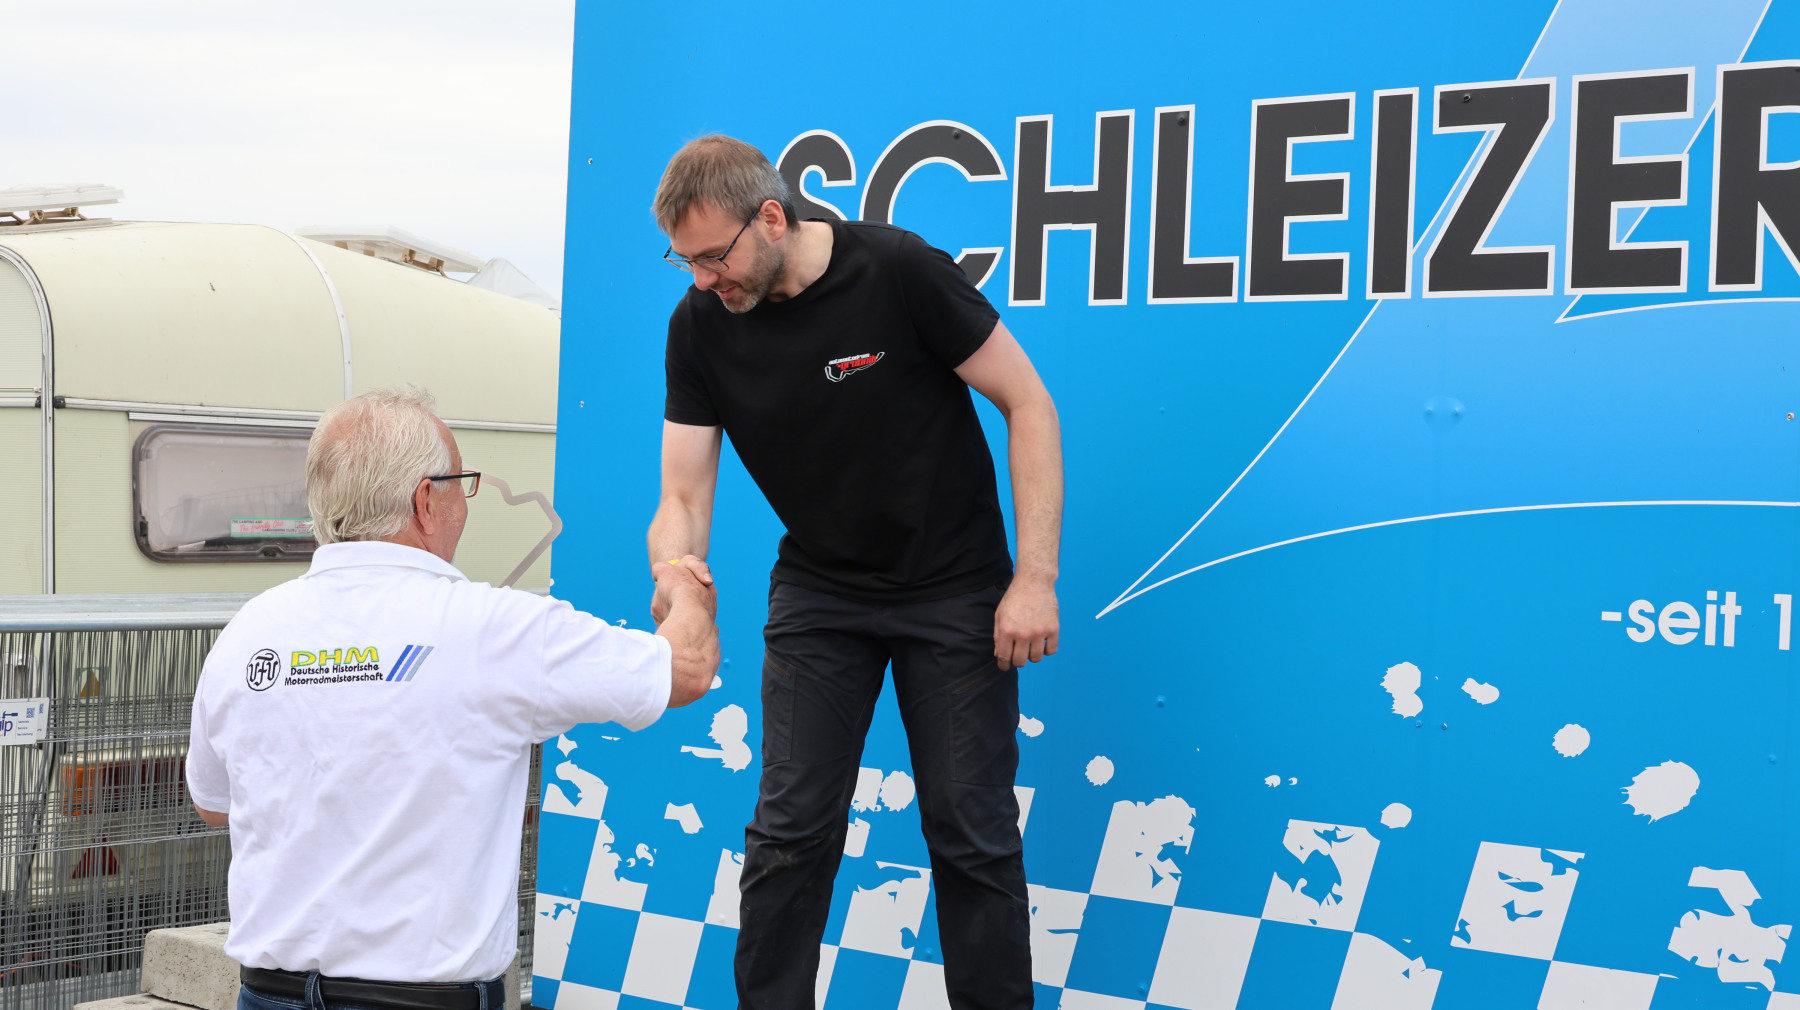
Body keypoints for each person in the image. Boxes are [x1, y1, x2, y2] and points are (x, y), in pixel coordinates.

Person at [647, 135, 1063, 1010]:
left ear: (771, 218)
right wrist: (680, 584)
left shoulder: (900, 270)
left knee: (972, 835)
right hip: (822, 592)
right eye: (685, 262)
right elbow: (681, 496)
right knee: (788, 835)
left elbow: (1028, 401)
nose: (703, 280)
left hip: (954, 587)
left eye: (714, 257)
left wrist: (1034, 579)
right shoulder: (699, 326)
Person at [185, 387, 719, 1010]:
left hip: (268, 995)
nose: (466, 504)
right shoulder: (494, 629)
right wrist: (683, 584)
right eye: (461, 485)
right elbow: (687, 669)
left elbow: (214, 805)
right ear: (425, 501)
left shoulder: (248, 632)